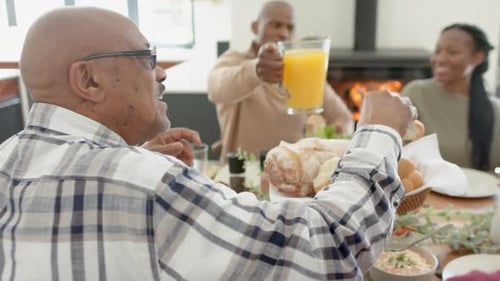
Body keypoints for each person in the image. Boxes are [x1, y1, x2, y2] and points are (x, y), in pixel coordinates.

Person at [0, 6, 416, 280]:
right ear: (87, 80)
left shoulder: (8, 159)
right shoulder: (147, 180)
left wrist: (129, 160)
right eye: (148, 58)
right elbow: (329, 249)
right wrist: (379, 132)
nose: (161, 73)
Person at [207, 1, 354, 162]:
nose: (283, 33)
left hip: (292, 176)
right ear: (256, 27)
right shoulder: (236, 59)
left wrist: (330, 150)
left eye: (289, 27)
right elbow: (216, 88)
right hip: (242, 177)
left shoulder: (303, 68)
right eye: (275, 25)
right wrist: (256, 71)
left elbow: (343, 117)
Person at [401, 23, 500, 171]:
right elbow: (397, 151)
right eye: (437, 51)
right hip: (426, 192)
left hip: (482, 192)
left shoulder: (494, 110)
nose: (440, 59)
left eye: (452, 52)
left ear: (477, 58)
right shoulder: (416, 93)